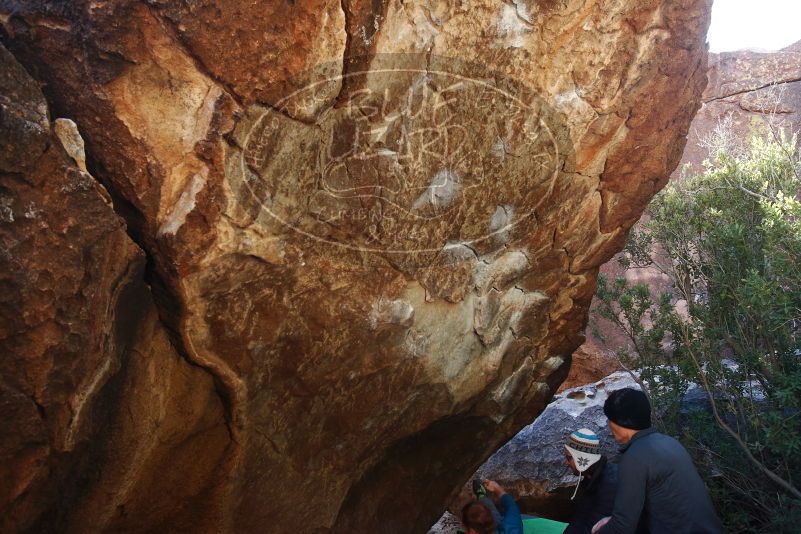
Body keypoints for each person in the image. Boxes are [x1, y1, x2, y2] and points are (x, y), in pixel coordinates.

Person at [593, 388, 723, 534]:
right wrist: (613, 520)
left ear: (620, 421)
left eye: (609, 419)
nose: (609, 425)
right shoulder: (669, 442)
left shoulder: (635, 457)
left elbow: (622, 527)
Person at [562, 429, 619, 534]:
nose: (565, 462)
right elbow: (579, 519)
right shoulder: (590, 478)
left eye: (568, 457)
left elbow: (594, 528)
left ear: (581, 459)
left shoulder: (610, 484)